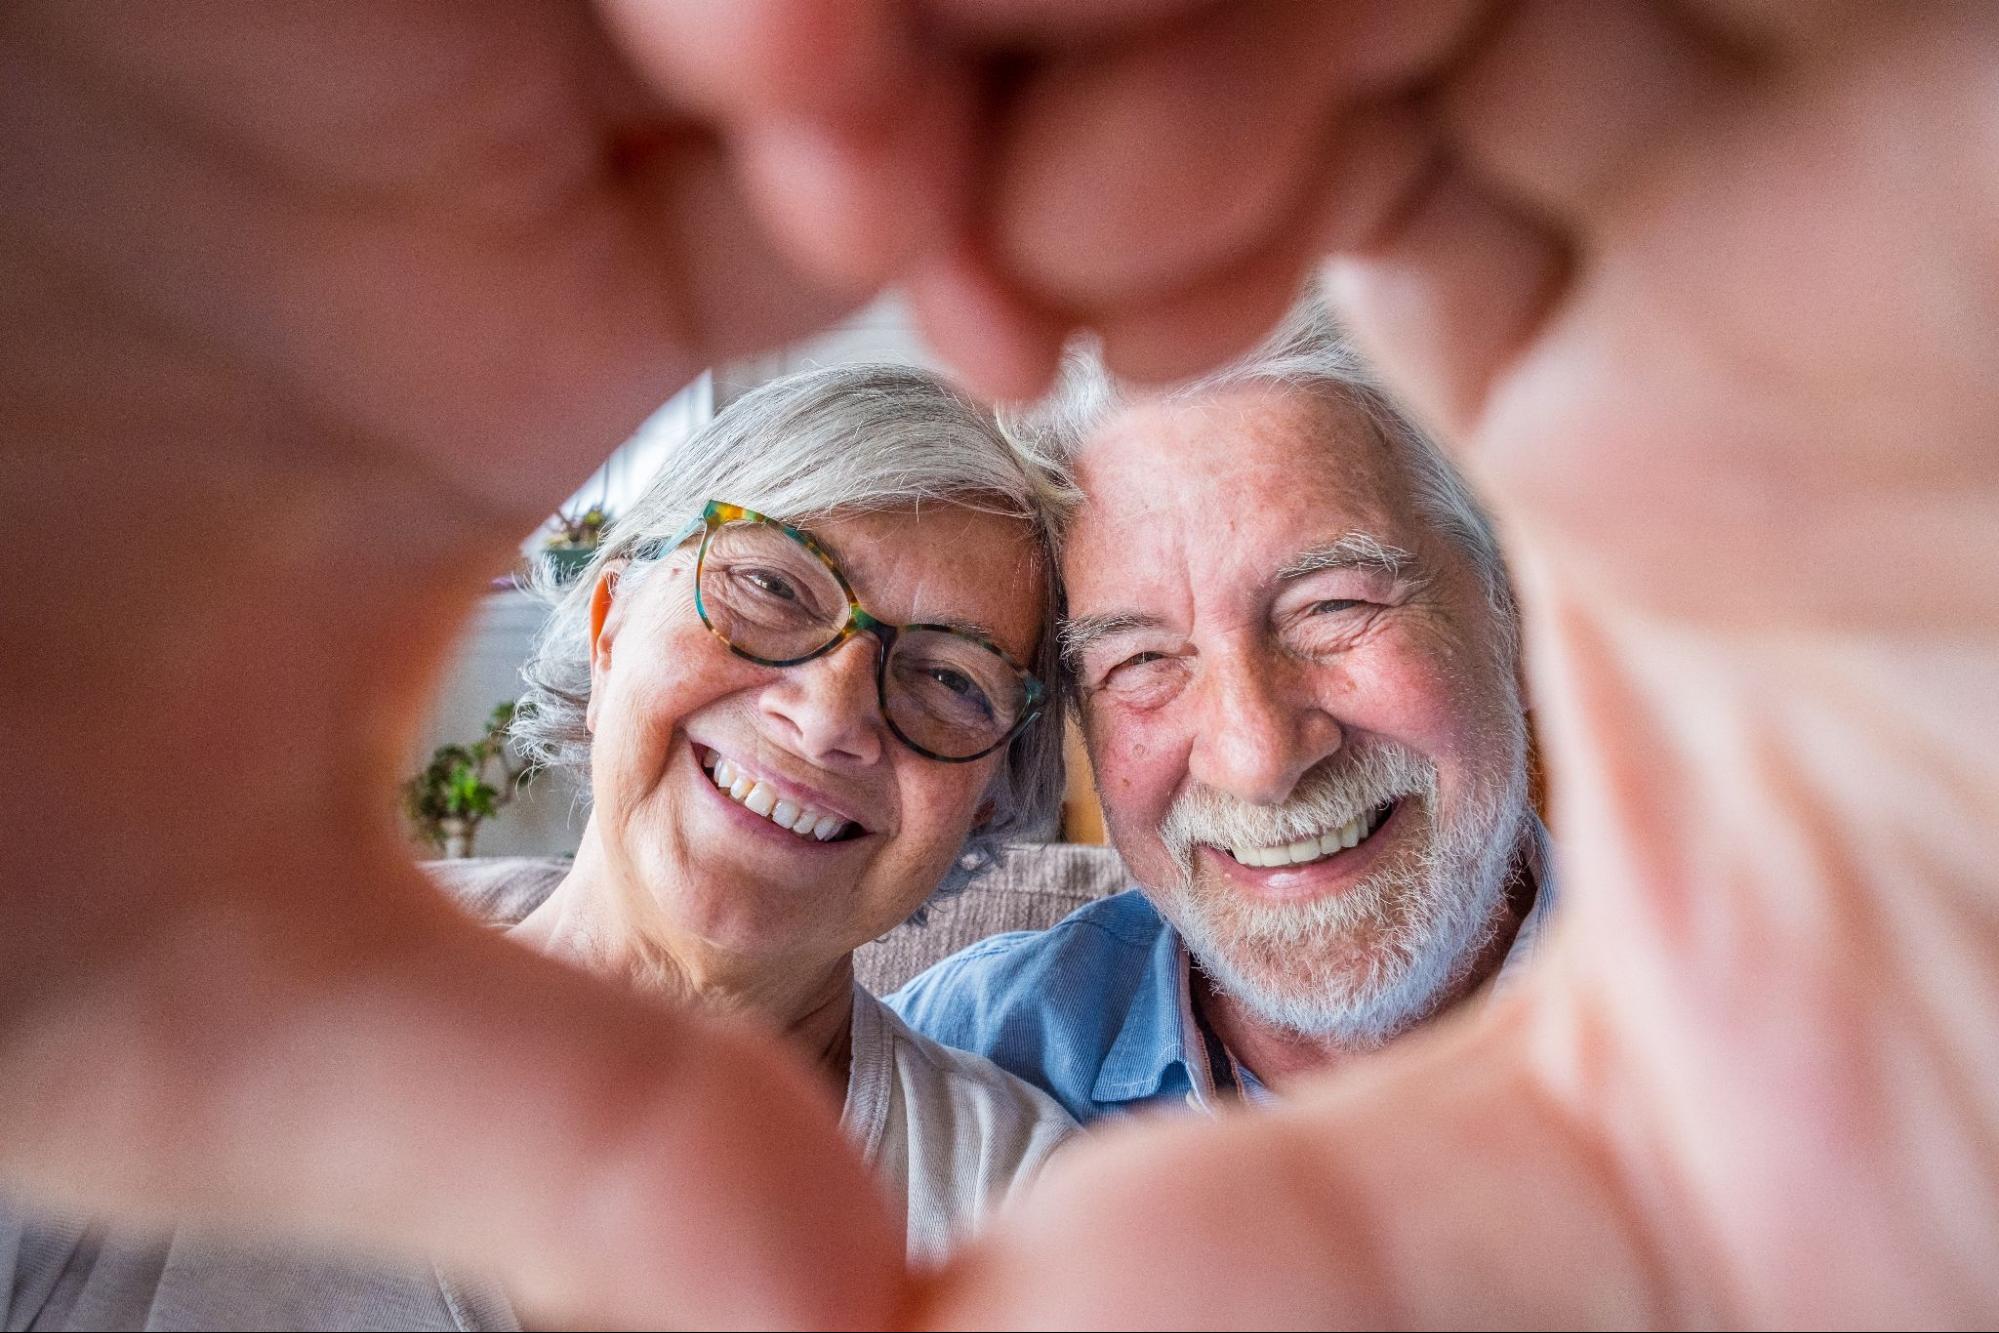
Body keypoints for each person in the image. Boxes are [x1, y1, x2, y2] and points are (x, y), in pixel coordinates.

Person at [4, 2, 1996, 1327]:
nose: (1254, 737)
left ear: (1520, 621)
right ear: (610, 611)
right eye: (1134, 655)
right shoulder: (1011, 1059)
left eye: (1330, 605)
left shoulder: (1851, 963)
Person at [0, 362, 1078, 1327]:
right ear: (610, 621)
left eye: (950, 679)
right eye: (772, 585)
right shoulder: (201, 998)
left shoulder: (1023, 1204)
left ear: (987, 801)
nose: (829, 716)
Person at [891, 296, 1553, 1120]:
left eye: (1331, 606)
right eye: (1141, 659)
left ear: (1510, 605)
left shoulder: (1749, 1018)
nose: (1258, 758)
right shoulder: (944, 1073)